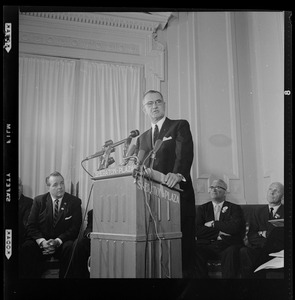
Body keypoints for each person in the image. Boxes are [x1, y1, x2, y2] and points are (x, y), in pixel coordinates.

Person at [135, 90, 196, 278]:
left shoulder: (179, 125)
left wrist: (178, 173)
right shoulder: (142, 137)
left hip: (177, 195)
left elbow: (183, 153)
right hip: (151, 200)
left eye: (158, 102)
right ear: (144, 109)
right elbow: (140, 165)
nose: (154, 106)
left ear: (164, 104)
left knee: (181, 250)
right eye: (150, 103)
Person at [20, 171, 82, 278]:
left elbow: (75, 228)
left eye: (62, 183)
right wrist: (42, 242)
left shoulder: (74, 202)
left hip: (62, 243)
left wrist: (57, 241)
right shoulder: (39, 201)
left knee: (71, 247)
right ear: (48, 188)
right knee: (27, 247)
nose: (60, 187)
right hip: (42, 242)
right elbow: (31, 226)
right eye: (55, 184)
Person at [193, 179, 245, 278]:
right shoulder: (202, 209)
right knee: (196, 250)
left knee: (232, 251)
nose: (214, 189)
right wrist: (218, 234)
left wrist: (214, 224)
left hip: (227, 245)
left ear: (225, 192)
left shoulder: (234, 208)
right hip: (207, 245)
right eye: (212, 187)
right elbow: (197, 230)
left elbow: (234, 227)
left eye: (218, 187)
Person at [240, 182, 284, 278]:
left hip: (277, 251)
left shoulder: (286, 211)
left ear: (282, 196)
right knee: (244, 251)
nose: (272, 193)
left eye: (276, 191)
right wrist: (266, 242)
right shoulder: (257, 211)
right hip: (260, 249)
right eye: (270, 189)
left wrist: (263, 233)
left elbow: (282, 236)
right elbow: (251, 235)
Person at [72, 209, 93, 278]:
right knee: (78, 244)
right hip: (94, 240)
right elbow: (89, 228)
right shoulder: (92, 212)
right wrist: (89, 234)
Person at [18, 177, 33, 246]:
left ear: (22, 187)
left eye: (19, 185)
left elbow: (26, 226)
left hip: (21, 240)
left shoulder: (30, 203)